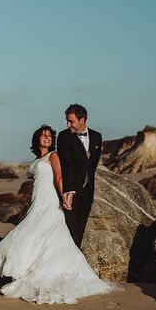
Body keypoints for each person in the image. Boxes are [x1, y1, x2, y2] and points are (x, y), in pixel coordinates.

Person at [0, 124, 116, 304]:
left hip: (50, 202)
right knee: (36, 234)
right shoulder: (38, 158)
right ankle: (27, 270)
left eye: (49, 135)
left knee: (40, 233)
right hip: (37, 201)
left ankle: (37, 272)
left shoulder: (53, 156)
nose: (47, 138)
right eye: (43, 135)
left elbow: (59, 178)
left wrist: (65, 197)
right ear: (37, 139)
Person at [57, 104, 102, 248]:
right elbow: (66, 165)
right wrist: (68, 191)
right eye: (67, 121)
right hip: (71, 191)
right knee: (70, 231)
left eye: (71, 121)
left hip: (88, 191)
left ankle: (76, 263)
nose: (68, 124)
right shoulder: (64, 136)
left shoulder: (97, 136)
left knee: (80, 230)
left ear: (82, 120)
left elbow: (92, 166)